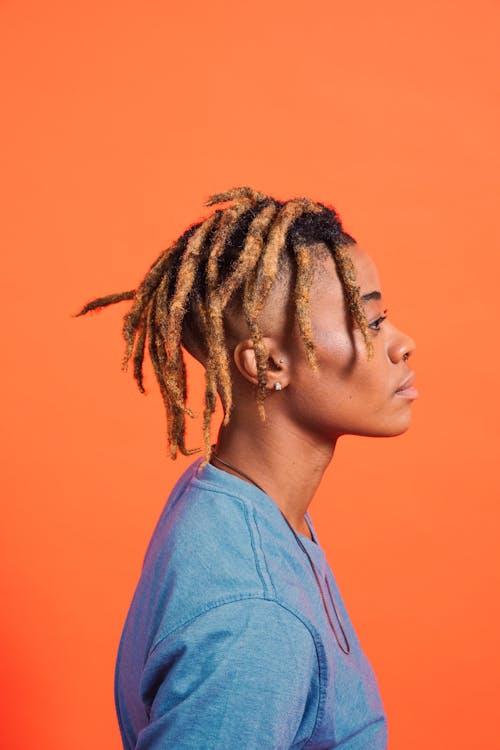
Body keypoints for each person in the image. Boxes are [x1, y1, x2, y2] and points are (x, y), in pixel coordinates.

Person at [75, 186, 417, 749]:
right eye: (370, 320)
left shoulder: (227, 499)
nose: (401, 344)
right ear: (267, 363)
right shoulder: (253, 616)